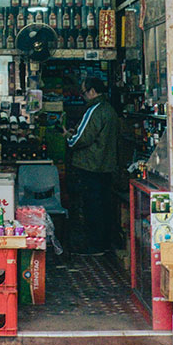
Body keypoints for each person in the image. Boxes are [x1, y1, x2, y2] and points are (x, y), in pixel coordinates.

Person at [64, 77, 121, 256]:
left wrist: (69, 137)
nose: (83, 97)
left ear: (92, 91)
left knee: (92, 206)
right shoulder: (109, 110)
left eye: (84, 93)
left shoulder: (94, 110)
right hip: (106, 166)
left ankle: (95, 246)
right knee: (104, 205)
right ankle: (104, 244)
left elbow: (81, 138)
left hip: (91, 166)